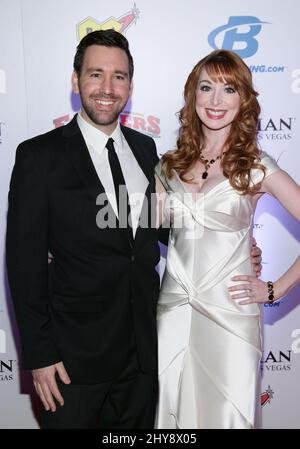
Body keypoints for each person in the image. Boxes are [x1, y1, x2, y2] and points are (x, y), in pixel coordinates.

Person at [6, 31, 261, 429]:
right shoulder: (39, 157)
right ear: (76, 81)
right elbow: (24, 266)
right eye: (95, 75)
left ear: (130, 85)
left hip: (144, 357)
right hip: (71, 364)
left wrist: (231, 243)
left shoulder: (148, 152)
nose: (107, 88)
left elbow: (160, 226)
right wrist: (39, 356)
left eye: (119, 77)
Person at [154, 49, 300, 429]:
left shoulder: (257, 166)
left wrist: (275, 289)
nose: (216, 100)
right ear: (193, 95)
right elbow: (138, 234)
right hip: (173, 311)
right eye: (206, 87)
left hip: (230, 317)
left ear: (244, 100)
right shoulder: (167, 167)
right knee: (172, 415)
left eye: (229, 89)